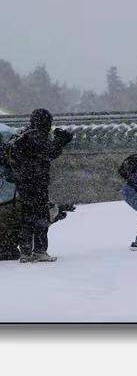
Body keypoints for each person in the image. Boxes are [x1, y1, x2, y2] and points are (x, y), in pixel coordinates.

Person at [8, 109, 73, 263]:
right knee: (41, 217)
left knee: (27, 217)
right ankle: (39, 251)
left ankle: (25, 251)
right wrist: (60, 141)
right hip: (36, 183)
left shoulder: (24, 135)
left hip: (25, 183)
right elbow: (50, 152)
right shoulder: (37, 136)